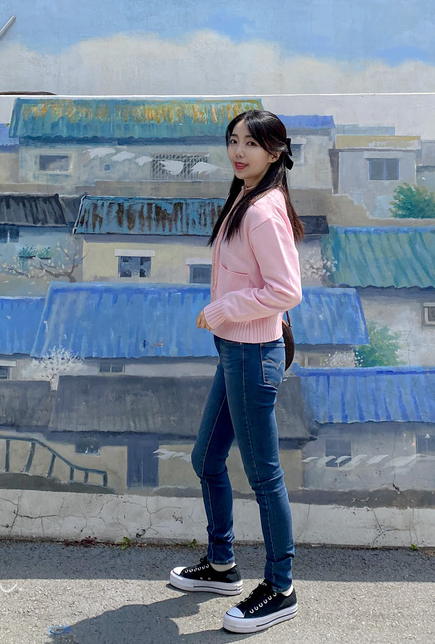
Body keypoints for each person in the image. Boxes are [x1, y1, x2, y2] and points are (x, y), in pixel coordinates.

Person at [168, 110, 303, 634]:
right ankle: (222, 565)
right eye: (232, 140)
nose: (238, 150)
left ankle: (280, 587)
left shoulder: (264, 211)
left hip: (251, 355)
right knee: (206, 458)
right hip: (236, 351)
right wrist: (227, 318)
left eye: (251, 142)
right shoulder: (245, 199)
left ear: (275, 152)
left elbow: (286, 290)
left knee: (265, 475)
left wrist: (225, 310)